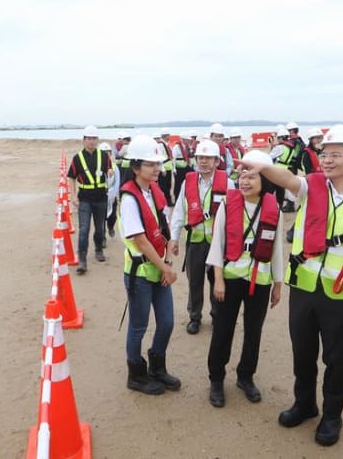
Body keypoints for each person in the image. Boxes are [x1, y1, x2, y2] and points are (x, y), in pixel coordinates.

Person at [242, 125, 343, 446]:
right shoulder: (310, 187)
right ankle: (304, 404)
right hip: (305, 290)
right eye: (324, 153)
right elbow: (287, 178)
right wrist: (263, 166)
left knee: (336, 361)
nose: (327, 159)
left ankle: (332, 416)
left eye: (336, 154)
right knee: (303, 354)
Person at [206, 150, 283, 407]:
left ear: (265, 180)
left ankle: (245, 376)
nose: (245, 181)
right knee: (223, 330)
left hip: (259, 279)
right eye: (242, 175)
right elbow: (217, 243)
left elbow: (277, 250)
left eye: (252, 176)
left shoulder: (274, 209)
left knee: (254, 331)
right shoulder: (228, 204)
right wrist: (218, 279)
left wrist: (277, 284)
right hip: (229, 277)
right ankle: (216, 379)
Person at [118, 135, 180, 395]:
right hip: (140, 273)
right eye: (149, 164)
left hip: (158, 268)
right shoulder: (130, 198)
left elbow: (161, 230)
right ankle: (137, 375)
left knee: (166, 322)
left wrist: (166, 261)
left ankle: (157, 366)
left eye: (158, 163)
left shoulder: (154, 191)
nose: (157, 168)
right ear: (135, 167)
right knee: (139, 325)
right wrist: (165, 268)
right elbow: (141, 241)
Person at [169, 140, 227, 335]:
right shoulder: (188, 181)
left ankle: (218, 315)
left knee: (216, 281)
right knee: (195, 281)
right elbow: (179, 211)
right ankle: (195, 316)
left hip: (218, 244)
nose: (204, 162)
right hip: (194, 241)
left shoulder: (229, 183)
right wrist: (174, 238)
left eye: (208, 158)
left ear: (216, 161)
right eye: (201, 158)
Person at [67, 125, 112, 274]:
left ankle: (99, 249)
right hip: (85, 199)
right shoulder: (77, 158)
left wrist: (110, 172)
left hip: (101, 198)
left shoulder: (104, 156)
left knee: (100, 228)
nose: (92, 141)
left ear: (97, 140)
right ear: (83, 140)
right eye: (89, 139)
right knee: (84, 229)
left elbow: (110, 169)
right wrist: (73, 196)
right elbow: (71, 177)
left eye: (94, 138)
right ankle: (82, 260)